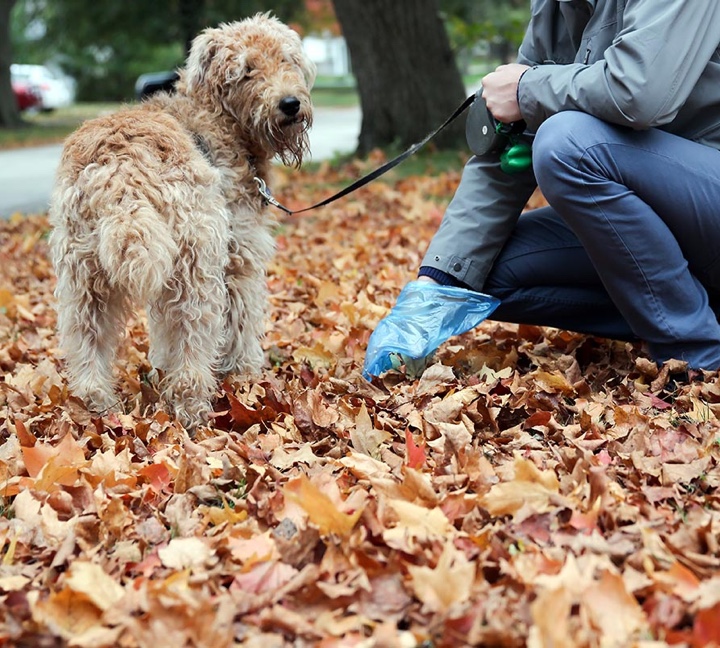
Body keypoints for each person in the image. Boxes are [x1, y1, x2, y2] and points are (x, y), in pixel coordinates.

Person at [363, 0, 720, 378]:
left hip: (706, 199)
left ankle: (695, 354)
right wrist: (434, 289)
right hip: (662, 221)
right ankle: (689, 308)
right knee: (477, 271)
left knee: (566, 144)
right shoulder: (555, 7)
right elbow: (510, 139)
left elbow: (638, 92)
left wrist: (526, 89)